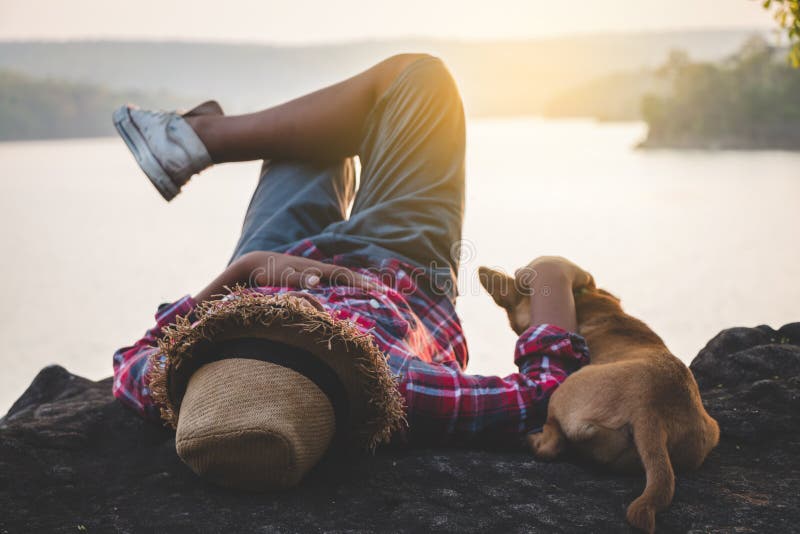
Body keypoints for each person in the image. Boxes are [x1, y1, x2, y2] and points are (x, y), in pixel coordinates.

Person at [112, 54, 590, 451]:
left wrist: (252, 269)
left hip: (269, 258)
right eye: (289, 328)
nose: (285, 314)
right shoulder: (396, 382)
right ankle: (199, 136)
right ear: (337, 366)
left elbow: (130, 358)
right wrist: (551, 273)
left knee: (309, 137)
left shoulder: (181, 382)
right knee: (421, 79)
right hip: (393, 261)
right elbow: (544, 393)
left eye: (253, 321)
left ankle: (193, 136)